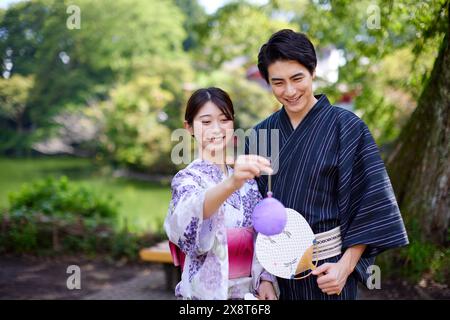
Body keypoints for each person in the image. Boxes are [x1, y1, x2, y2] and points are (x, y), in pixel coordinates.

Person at [247, 29, 409, 300]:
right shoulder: (261, 137)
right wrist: (263, 277)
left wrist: (345, 268)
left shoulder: (348, 128)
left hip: (329, 271)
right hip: (277, 279)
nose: (289, 91)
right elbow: (252, 213)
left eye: (297, 78)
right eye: (278, 83)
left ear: (312, 71)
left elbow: (369, 205)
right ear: (268, 82)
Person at [164, 87, 278, 300]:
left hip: (250, 292)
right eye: (206, 122)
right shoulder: (187, 180)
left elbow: (262, 235)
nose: (217, 129)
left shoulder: (248, 183)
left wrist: (265, 278)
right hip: (205, 293)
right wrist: (232, 183)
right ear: (189, 127)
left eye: (224, 120)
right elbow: (191, 217)